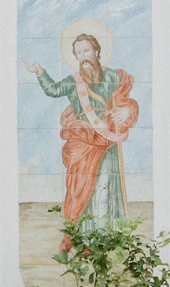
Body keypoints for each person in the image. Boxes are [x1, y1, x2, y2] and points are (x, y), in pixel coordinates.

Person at [23, 32, 138, 242]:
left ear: (96, 51)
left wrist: (128, 112)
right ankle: (86, 239)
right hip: (81, 143)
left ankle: (103, 239)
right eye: (78, 53)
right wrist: (40, 73)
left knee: (103, 190)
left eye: (86, 50)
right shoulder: (73, 81)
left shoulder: (112, 77)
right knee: (82, 192)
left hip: (106, 143)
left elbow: (125, 100)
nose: (83, 56)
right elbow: (54, 89)